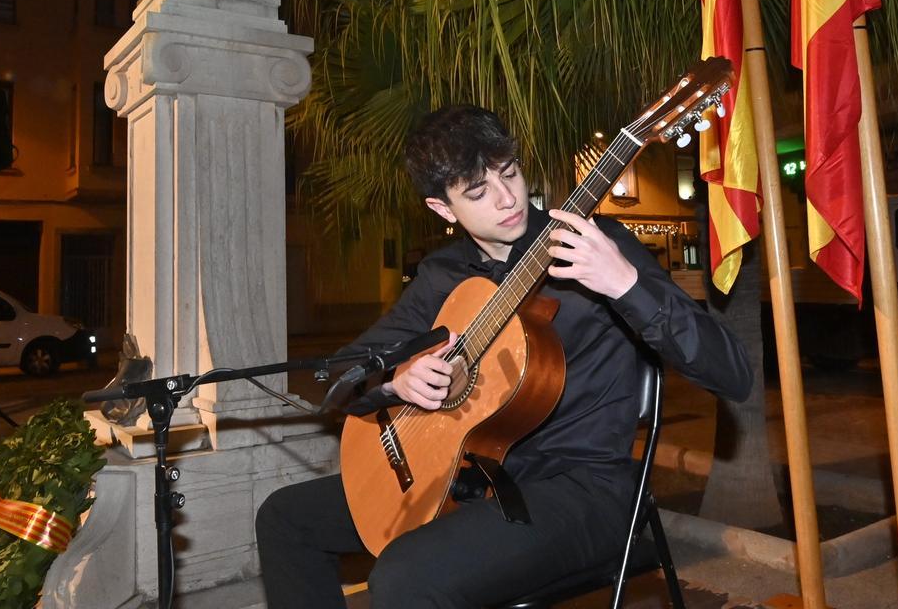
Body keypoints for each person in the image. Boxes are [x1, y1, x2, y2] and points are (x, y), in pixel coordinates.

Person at [256, 105, 753, 608]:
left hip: (581, 489)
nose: (507, 198)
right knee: (284, 517)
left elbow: (732, 372)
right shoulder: (443, 274)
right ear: (442, 209)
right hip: (465, 477)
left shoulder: (593, 245)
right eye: (477, 192)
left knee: (404, 577)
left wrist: (625, 284)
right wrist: (395, 381)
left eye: (509, 173)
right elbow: (339, 371)